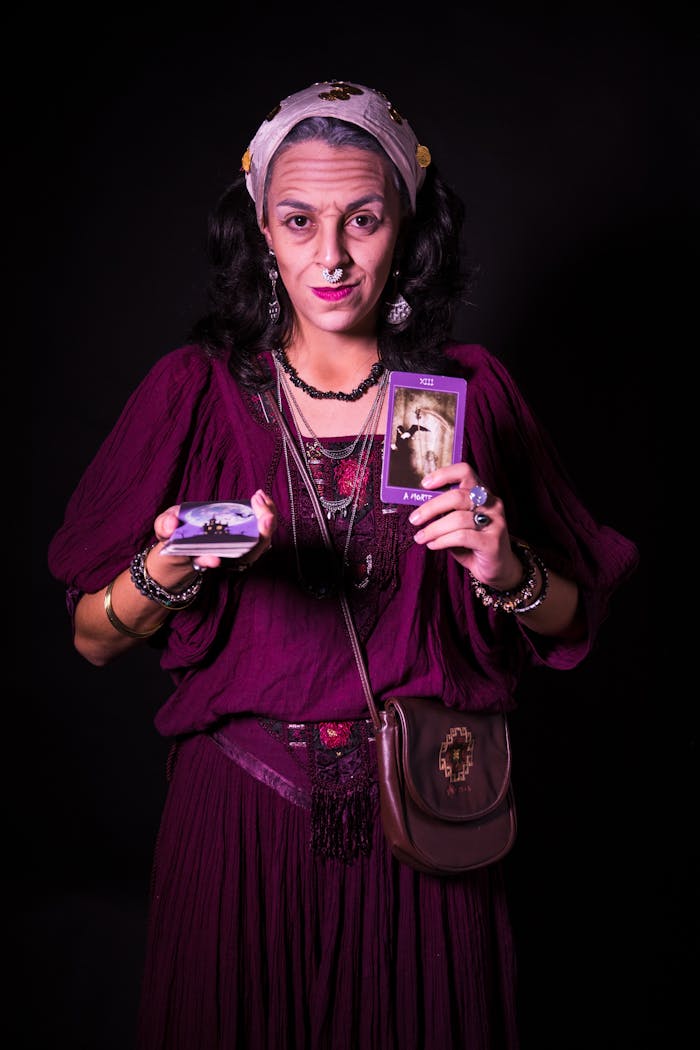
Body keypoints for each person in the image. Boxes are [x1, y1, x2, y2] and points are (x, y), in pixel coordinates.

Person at [47, 79, 639, 1050]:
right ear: (261, 232)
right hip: (238, 818)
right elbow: (87, 637)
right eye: (299, 219)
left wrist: (506, 567)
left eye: (362, 219)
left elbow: (572, 623)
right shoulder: (193, 393)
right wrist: (167, 569)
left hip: (426, 814)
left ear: (406, 226)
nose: (329, 254)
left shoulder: (462, 393)